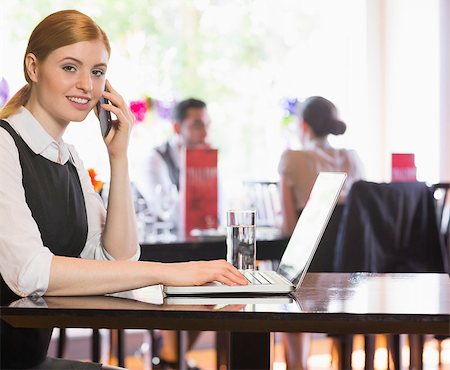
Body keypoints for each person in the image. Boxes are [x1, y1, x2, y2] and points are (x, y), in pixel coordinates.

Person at [0, 10, 247, 370]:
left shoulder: (68, 158)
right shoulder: (4, 145)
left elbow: (116, 259)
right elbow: (30, 273)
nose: (87, 84)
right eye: (70, 67)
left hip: (24, 360)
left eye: (97, 72)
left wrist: (119, 157)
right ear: (33, 68)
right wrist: (166, 271)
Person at [277, 96, 364, 369]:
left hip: (310, 262)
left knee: (282, 286)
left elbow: (289, 228)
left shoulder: (293, 158)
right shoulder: (352, 158)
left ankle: (297, 366)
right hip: (353, 266)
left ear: (303, 125)